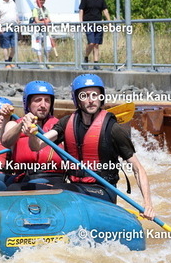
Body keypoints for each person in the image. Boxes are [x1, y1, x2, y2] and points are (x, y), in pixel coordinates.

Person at [25, 74, 155, 220]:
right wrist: (32, 134)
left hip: (103, 191)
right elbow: (37, 146)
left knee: (63, 190)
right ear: (77, 99)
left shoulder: (113, 129)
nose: (91, 100)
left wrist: (148, 204)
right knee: (47, 189)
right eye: (84, 96)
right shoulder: (66, 123)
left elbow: (138, 169)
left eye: (95, 95)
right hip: (75, 187)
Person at [0, 80, 65, 187]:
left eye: (47, 101)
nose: (43, 105)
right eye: (38, 100)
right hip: (23, 178)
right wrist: (23, 123)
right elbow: (6, 142)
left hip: (54, 179)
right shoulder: (14, 124)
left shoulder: (61, 126)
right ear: (28, 104)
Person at [79, 0, 111, 70]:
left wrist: (109, 22)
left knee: (96, 44)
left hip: (98, 23)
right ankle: (86, 58)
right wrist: (81, 22)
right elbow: (81, 10)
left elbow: (105, 10)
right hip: (88, 23)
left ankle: (96, 63)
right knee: (91, 43)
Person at [0, 0, 20, 69]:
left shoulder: (12, 2)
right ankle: (6, 63)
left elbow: (16, 14)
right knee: (6, 46)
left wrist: (18, 21)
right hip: (4, 28)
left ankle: (10, 61)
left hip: (13, 27)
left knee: (14, 47)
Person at [30, 0, 53, 68]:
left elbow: (49, 19)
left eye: (43, 0)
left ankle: (47, 62)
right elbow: (37, 20)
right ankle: (40, 62)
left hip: (45, 30)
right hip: (38, 30)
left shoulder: (46, 9)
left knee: (48, 45)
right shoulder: (35, 10)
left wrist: (46, 21)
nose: (42, 2)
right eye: (40, 0)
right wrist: (44, 21)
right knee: (38, 46)